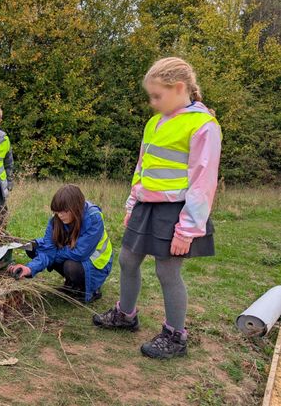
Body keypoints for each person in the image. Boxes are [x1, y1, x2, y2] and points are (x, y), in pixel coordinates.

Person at [93, 57, 222, 360]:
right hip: (145, 206)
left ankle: (175, 335)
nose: (152, 103)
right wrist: (132, 202)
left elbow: (203, 183)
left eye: (157, 96)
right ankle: (126, 315)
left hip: (176, 210)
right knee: (127, 259)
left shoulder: (204, 126)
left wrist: (188, 230)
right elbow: (143, 167)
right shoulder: (154, 123)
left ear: (179, 88)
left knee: (167, 271)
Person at [8, 185, 113, 303]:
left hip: (97, 266)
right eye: (57, 211)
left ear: (76, 208)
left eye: (64, 211)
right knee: (34, 247)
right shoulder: (55, 220)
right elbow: (48, 252)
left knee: (70, 266)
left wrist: (52, 254)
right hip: (73, 256)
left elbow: (80, 253)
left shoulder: (94, 218)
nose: (60, 215)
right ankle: (71, 283)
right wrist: (29, 268)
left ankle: (89, 290)